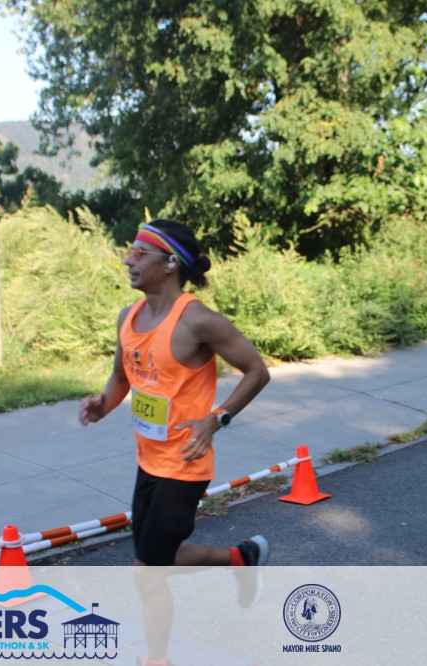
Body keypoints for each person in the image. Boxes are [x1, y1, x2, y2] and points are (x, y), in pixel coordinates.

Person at [78, 219, 271, 666]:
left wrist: (217, 418)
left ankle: (157, 659)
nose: (128, 259)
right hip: (149, 461)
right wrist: (103, 404)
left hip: (185, 465)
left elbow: (257, 371)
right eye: (130, 251)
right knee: (157, 558)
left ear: (170, 263)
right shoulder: (128, 318)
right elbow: (122, 377)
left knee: (147, 575)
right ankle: (240, 558)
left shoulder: (198, 321)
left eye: (139, 252)